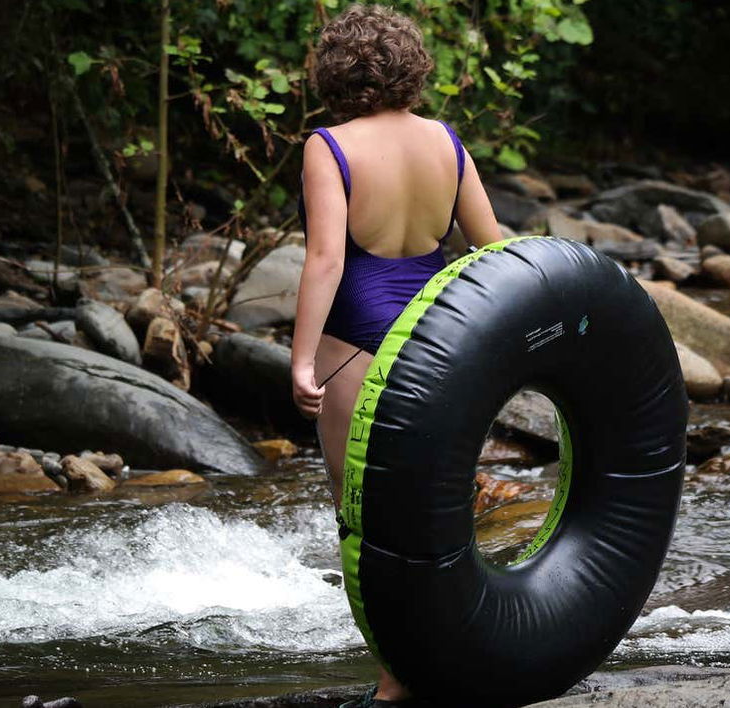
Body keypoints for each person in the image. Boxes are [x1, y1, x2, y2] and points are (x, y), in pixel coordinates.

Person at [290, 4, 501, 707]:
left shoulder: (330, 144)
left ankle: (394, 681)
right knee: (437, 517)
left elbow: (324, 260)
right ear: (411, 65)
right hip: (443, 343)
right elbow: (492, 250)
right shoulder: (446, 141)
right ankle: (448, 659)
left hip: (356, 344)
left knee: (368, 525)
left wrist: (300, 363)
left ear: (335, 70)